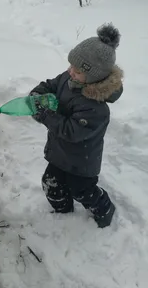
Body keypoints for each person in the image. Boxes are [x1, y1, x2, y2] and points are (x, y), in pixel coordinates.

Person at [30, 23, 123, 228]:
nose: (71, 72)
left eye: (78, 71)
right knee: (51, 183)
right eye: (71, 66)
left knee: (82, 191)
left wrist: (45, 115)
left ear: (93, 77)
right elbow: (52, 85)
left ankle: (105, 210)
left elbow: (70, 131)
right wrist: (39, 93)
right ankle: (63, 213)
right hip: (60, 152)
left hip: (81, 161)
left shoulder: (96, 108)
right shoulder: (69, 78)